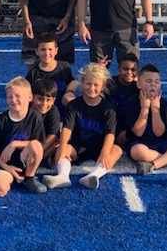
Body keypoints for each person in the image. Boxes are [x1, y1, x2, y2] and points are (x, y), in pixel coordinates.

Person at [43, 63, 122, 191]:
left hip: (98, 146)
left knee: (116, 150)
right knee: (64, 148)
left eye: (96, 85)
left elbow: (110, 133)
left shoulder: (109, 108)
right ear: (82, 82)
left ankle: (93, 176)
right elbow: (67, 129)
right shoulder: (74, 105)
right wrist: (62, 149)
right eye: (88, 84)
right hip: (77, 146)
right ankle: (63, 176)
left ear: (103, 86)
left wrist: (105, 151)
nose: (92, 88)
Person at [125, 64, 167, 175]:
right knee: (137, 151)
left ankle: (154, 164)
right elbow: (138, 132)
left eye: (157, 82)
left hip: (161, 142)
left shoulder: (162, 103)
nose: (153, 85)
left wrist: (155, 109)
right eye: (149, 81)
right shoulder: (131, 102)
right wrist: (145, 108)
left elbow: (159, 133)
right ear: (138, 84)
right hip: (141, 143)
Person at [0, 77, 48, 198]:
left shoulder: (35, 117)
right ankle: (11, 177)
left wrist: (15, 144)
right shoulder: (1, 120)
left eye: (18, 96)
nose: (13, 100)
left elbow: (38, 144)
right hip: (5, 163)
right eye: (10, 97)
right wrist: (7, 167)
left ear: (30, 97)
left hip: (25, 160)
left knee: (35, 145)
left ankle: (29, 177)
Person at [25, 33, 79, 111]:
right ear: (37, 51)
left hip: (61, 108)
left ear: (56, 50)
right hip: (41, 110)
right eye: (43, 49)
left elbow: (73, 82)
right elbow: (26, 91)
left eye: (50, 49)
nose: (47, 53)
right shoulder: (33, 71)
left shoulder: (64, 67)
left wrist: (69, 92)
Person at [108, 53, 140, 145]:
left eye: (133, 70)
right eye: (125, 69)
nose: (129, 72)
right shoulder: (110, 83)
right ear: (119, 69)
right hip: (113, 123)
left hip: (130, 125)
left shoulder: (139, 86)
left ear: (138, 71)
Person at [31, 78, 63, 167]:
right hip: (29, 143)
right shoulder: (26, 109)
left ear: (53, 100)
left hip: (45, 144)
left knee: (58, 142)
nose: (44, 104)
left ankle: (41, 159)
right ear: (32, 97)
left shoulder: (53, 111)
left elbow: (53, 136)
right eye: (40, 99)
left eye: (48, 100)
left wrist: (37, 151)